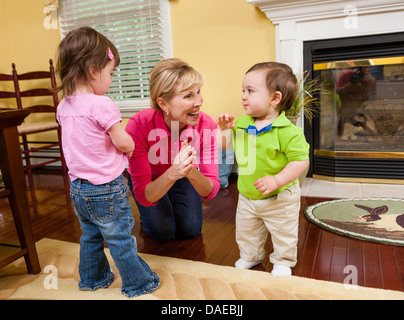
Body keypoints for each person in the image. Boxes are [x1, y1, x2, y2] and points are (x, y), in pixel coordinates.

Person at [55, 26, 159, 297]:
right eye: (110, 73)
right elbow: (122, 142)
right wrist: (132, 144)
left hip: (78, 187)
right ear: (93, 71)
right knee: (119, 238)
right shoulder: (101, 104)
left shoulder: (64, 105)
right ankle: (139, 282)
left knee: (90, 235)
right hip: (106, 188)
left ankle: (93, 279)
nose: (111, 80)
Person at [217, 62, 309, 277]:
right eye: (243, 91)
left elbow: (300, 162)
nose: (243, 96)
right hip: (248, 194)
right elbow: (224, 145)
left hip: (280, 197)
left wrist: (277, 180)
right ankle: (251, 256)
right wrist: (223, 130)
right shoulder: (241, 123)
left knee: (283, 231)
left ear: (274, 98)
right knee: (247, 230)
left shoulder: (290, 132)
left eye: (250, 91)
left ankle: (283, 260)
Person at [125, 58, 220, 242]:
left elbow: (211, 190)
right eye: (188, 96)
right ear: (163, 104)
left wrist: (189, 171)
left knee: (190, 230)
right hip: (151, 180)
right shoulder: (139, 125)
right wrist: (172, 173)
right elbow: (145, 195)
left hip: (184, 175)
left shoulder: (207, 125)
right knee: (162, 232)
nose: (199, 102)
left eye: (198, 92)